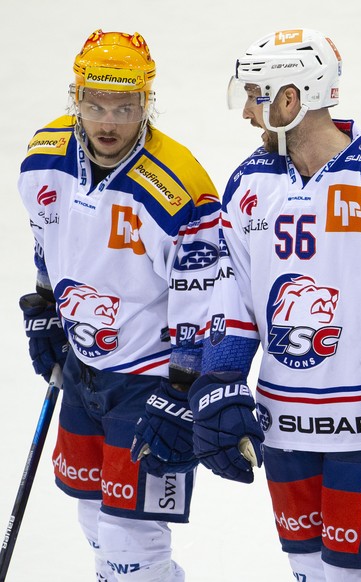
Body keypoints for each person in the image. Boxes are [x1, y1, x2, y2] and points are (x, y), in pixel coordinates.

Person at [190, 28, 361, 581]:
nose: (247, 111)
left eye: (256, 95)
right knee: (308, 573)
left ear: (290, 100)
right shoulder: (249, 181)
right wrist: (218, 381)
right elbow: (235, 294)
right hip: (284, 424)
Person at [18, 29, 220, 581]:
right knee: (92, 516)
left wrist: (183, 385)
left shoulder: (181, 188)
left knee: (130, 540)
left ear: (146, 105)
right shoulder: (42, 156)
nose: (108, 123)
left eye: (125, 108)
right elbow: (47, 236)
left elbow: (203, 296)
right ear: (75, 97)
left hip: (148, 379)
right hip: (84, 369)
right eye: (95, 105)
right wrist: (45, 304)